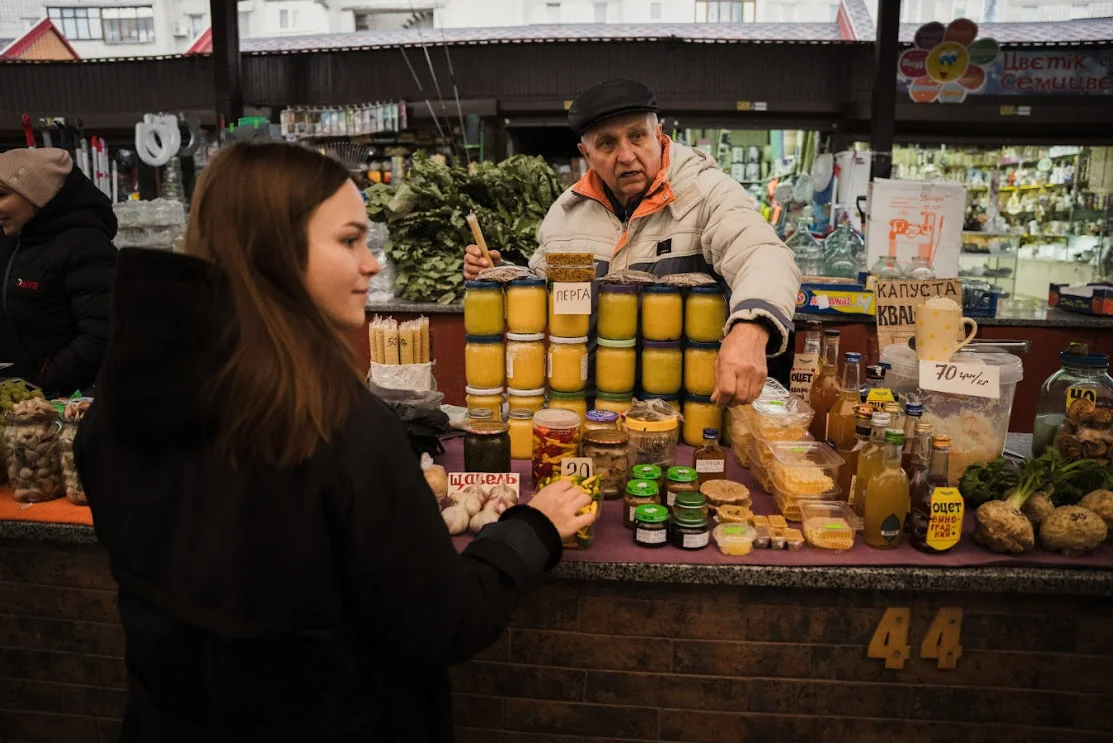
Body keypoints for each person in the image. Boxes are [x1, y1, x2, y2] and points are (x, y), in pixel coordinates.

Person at [75, 142, 595, 743]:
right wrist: (531, 530)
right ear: (275, 251)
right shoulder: (335, 427)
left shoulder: (116, 410)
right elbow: (444, 621)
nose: (372, 264)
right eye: (349, 240)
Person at [465, 79, 801, 405]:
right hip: (594, 410)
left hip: (687, 414)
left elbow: (762, 254)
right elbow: (553, 293)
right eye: (607, 143)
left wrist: (751, 329)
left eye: (637, 136)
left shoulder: (706, 193)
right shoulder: (566, 215)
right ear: (586, 153)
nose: (625, 156)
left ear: (658, 134)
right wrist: (504, 275)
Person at [0, 147, 118, 396]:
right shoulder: (14, 239)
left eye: (2, 195)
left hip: (59, 404)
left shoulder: (87, 246)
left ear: (36, 194)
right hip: (15, 397)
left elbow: (101, 334)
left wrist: (42, 382)